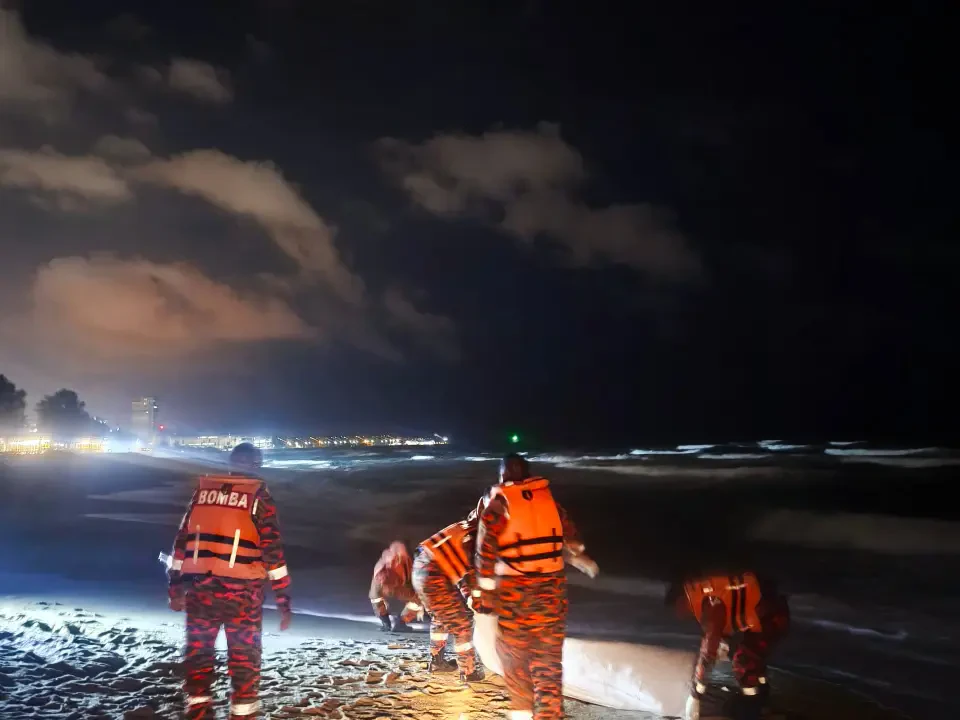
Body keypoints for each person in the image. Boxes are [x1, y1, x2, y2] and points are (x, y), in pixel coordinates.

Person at [166, 442, 292, 720]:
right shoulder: (259, 496)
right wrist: (284, 601)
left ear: (230, 463)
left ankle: (198, 710)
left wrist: (174, 587)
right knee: (245, 658)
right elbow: (272, 552)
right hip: (243, 595)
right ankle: (242, 714)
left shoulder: (203, 492)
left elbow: (181, 542)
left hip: (201, 590)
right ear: (257, 464)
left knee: (198, 654)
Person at [472, 454, 589, 720]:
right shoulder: (551, 502)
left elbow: (485, 552)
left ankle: (522, 713)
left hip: (516, 595)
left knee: (514, 660)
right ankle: (549, 714)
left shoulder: (501, 503)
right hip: (552, 593)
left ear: (502, 476)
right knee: (548, 662)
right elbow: (576, 544)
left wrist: (486, 596)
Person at [667, 572, 790, 720]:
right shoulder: (706, 597)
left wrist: (695, 695)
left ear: (681, 600)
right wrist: (722, 643)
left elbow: (708, 649)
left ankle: (753, 709)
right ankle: (761, 699)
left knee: (743, 660)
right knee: (747, 656)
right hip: (765, 618)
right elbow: (723, 627)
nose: (679, 616)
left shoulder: (709, 603)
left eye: (676, 610)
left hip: (772, 619)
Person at [413, 515, 484, 681]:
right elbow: (471, 574)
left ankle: (437, 661)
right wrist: (477, 600)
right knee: (463, 624)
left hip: (421, 572)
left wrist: (469, 596)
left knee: (441, 617)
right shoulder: (475, 537)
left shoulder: (460, 529)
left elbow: (459, 569)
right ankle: (469, 671)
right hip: (434, 577)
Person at [369, 541, 424, 632]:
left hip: (386, 584)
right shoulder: (404, 560)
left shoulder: (388, 559)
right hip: (390, 584)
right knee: (418, 601)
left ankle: (387, 623)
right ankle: (399, 623)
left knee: (376, 599)